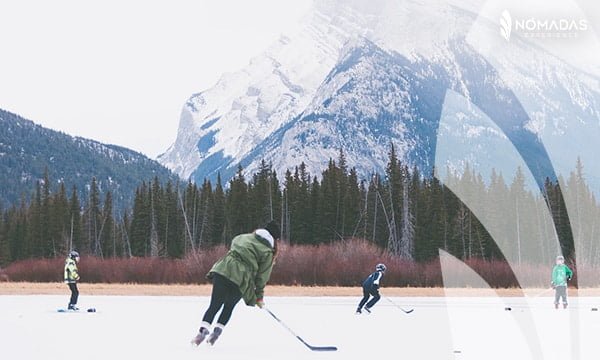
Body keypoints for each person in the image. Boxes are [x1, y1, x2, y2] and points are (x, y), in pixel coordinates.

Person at [191, 220, 280, 346]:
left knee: (214, 305)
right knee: (229, 306)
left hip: (224, 270)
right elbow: (262, 277)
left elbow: (233, 245)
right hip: (242, 279)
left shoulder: (243, 237)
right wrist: (259, 297)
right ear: (275, 239)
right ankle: (216, 333)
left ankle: (202, 331)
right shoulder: (267, 253)